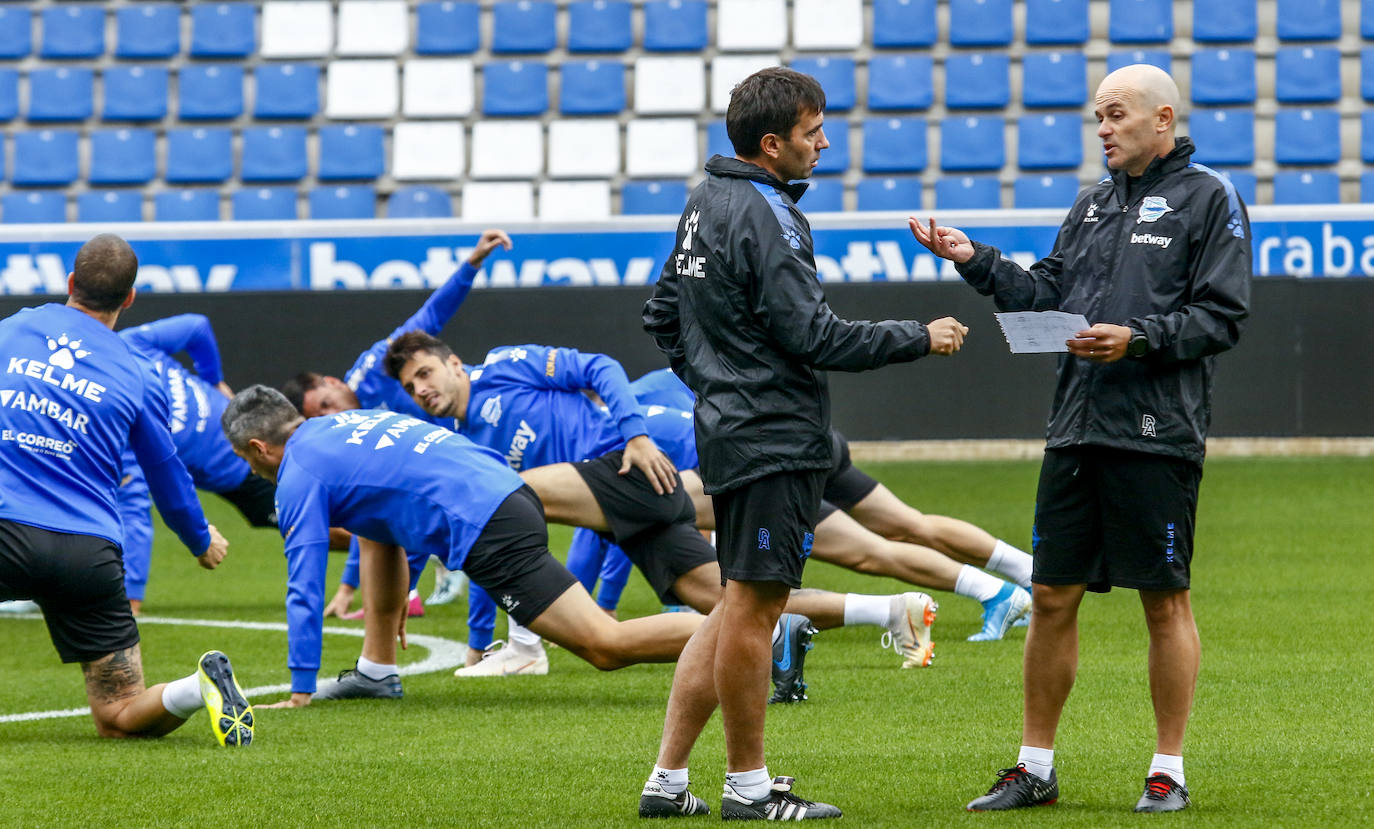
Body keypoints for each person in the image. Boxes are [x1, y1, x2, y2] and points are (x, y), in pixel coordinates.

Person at [911, 65, 1251, 814]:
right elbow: (1046, 292)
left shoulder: (1210, 198)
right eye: (1098, 117)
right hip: (1074, 429)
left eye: (1116, 115)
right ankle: (1035, 766)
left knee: (1164, 602)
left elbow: (1221, 317)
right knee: (1051, 594)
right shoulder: (1091, 204)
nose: (1103, 128)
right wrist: (977, 261)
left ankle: (1168, 769)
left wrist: (1137, 340)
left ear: (1162, 119)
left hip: (1157, 434)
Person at [639, 67, 969, 819]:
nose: (824, 142)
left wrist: (716, 382)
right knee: (757, 612)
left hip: (731, 432)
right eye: (812, 131)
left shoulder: (703, 201)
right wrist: (918, 335)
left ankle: (666, 781)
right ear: (771, 143)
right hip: (774, 438)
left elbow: (662, 314)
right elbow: (814, 335)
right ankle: (750, 789)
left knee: (732, 607)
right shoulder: (768, 213)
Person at [386, 334, 941, 696]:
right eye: (412, 386)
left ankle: (527, 650)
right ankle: (891, 612)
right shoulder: (457, 437)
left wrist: (635, 436)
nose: (423, 388)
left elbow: (601, 363)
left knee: (505, 493)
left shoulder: (504, 365)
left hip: (619, 466)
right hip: (616, 508)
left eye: (427, 372)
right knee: (733, 606)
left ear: (455, 363)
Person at [220, 386, 706, 708]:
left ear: (260, 449)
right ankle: (376, 669)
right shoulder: (347, 424)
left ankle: (756, 634)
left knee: (605, 644)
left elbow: (303, 586)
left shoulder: (297, 473)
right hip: (510, 491)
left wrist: (301, 687)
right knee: (372, 535)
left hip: (488, 524)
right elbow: (384, 531)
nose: (248, 470)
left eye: (245, 458)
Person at [0, 234, 251, 746]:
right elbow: (166, 471)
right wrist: (200, 538)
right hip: (86, 554)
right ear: (130, 298)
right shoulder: (137, 372)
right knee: (118, 713)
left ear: (70, 283)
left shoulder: (13, 330)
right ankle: (192, 688)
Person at [629, 368, 1036, 644]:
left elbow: (655, 512)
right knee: (909, 524)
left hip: (778, 465)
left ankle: (997, 592)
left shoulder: (627, 438)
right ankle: (1025, 570)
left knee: (873, 553)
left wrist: (610, 604)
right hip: (813, 436)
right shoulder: (652, 385)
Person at [284, 228, 535, 665]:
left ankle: (505, 643)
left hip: (484, 426)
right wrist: (355, 589)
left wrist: (471, 262)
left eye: (326, 404)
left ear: (333, 382)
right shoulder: (351, 438)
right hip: (445, 465)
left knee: (491, 533)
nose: (329, 416)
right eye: (318, 417)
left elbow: (428, 320)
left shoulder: (373, 372)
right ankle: (486, 646)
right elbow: (377, 525)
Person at [115, 314, 280, 613]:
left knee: (323, 524)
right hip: (246, 448)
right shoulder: (129, 345)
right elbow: (197, 325)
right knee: (321, 519)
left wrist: (131, 596)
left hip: (250, 463)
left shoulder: (121, 415)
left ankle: (386, 550)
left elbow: (135, 511)